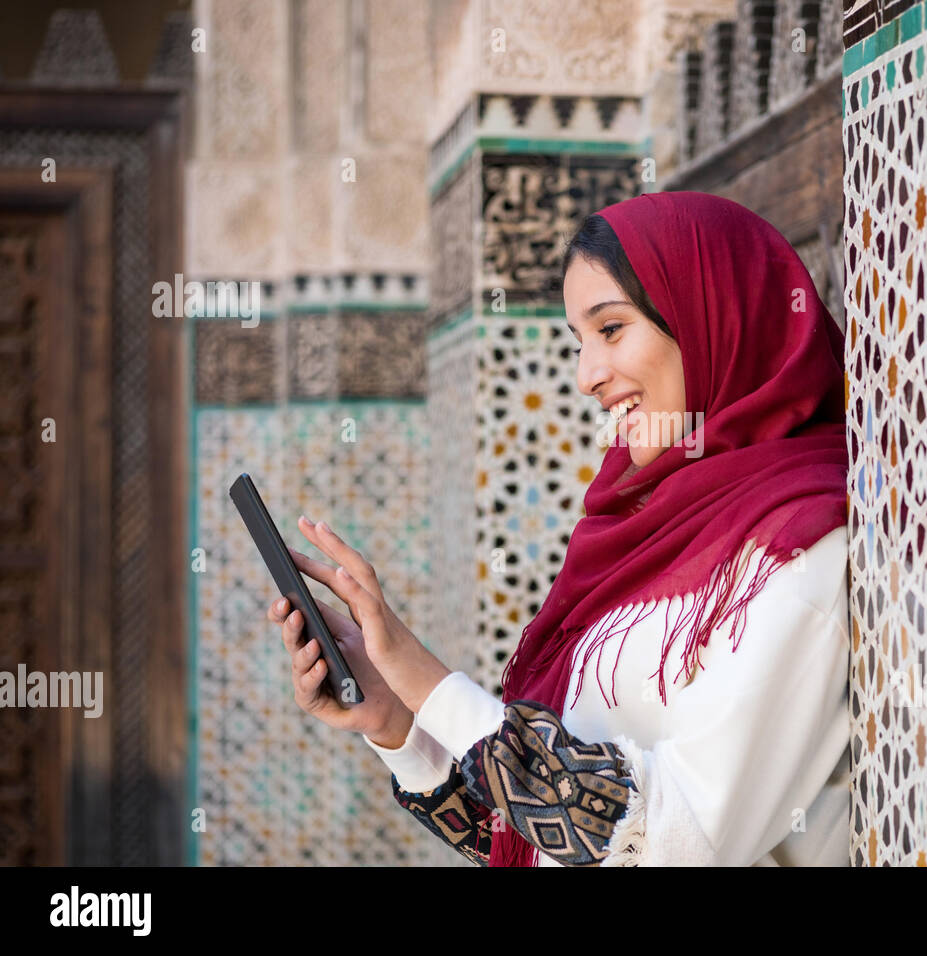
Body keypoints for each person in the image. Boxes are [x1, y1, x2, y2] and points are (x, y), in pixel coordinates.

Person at [266, 191, 852, 866]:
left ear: (711, 319)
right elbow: (544, 835)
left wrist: (426, 678)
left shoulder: (799, 551)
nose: (587, 376)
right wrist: (397, 717)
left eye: (611, 329)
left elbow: (669, 843)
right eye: (580, 341)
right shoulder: (644, 533)